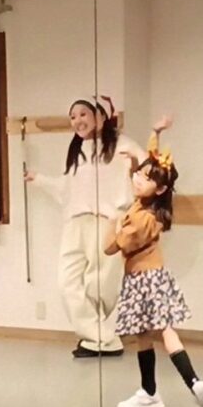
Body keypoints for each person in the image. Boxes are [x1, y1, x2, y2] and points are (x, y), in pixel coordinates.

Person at [106, 119, 203, 407]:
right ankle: (150, 391)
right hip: (149, 277)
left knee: (164, 334)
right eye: (138, 175)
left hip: (144, 279)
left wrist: (112, 221)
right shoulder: (148, 205)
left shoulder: (144, 218)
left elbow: (113, 246)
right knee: (145, 335)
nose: (137, 179)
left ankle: (192, 382)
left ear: (161, 188)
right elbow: (150, 163)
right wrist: (153, 135)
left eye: (145, 178)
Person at [25, 96, 146, 358]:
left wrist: (138, 167)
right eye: (73, 116)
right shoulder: (76, 151)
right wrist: (39, 179)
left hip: (108, 222)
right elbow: (67, 188)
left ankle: (97, 340)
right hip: (75, 223)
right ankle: (103, 339)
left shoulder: (123, 145)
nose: (77, 120)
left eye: (83, 114)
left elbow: (151, 172)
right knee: (67, 282)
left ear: (100, 117)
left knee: (100, 285)